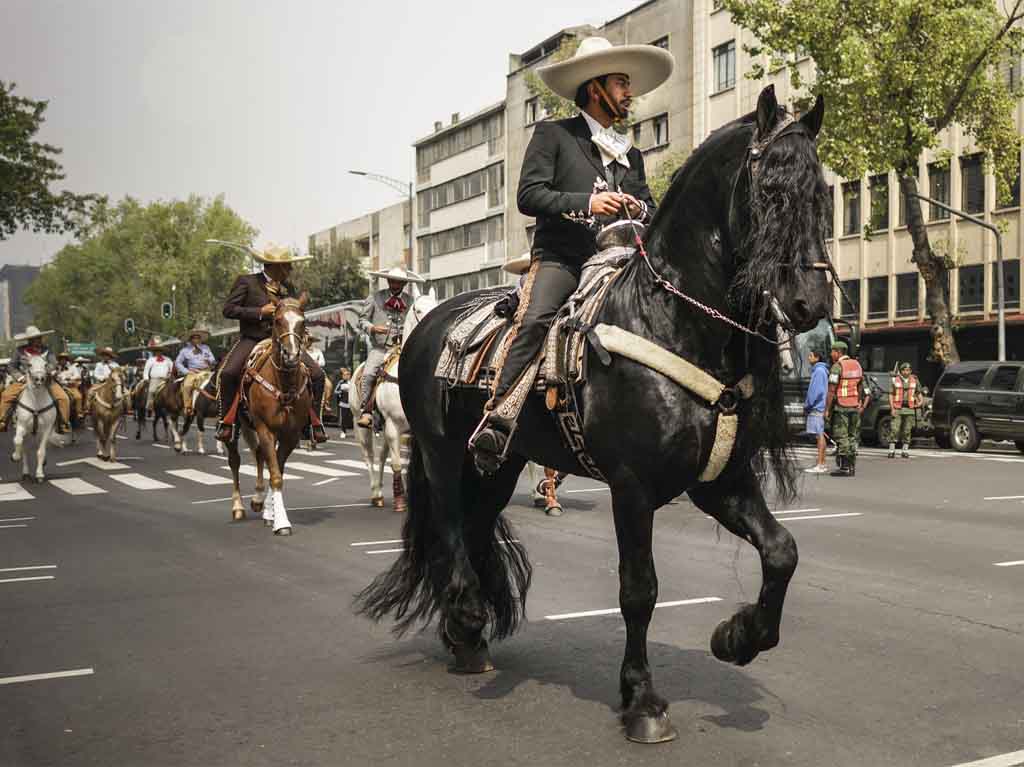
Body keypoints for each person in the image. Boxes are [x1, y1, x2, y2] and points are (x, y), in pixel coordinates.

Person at [468, 36, 671, 473]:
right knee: (538, 316)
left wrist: (639, 208)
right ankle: (499, 417)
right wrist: (588, 203)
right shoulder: (554, 135)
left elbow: (650, 207)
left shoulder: (630, 154)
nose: (628, 92)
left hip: (619, 264)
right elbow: (529, 195)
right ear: (595, 88)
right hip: (563, 259)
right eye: (621, 83)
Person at [216, 243, 328, 443]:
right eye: (288, 266)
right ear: (276, 266)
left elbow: (294, 314)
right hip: (253, 339)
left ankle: (313, 423)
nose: (290, 270)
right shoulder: (247, 282)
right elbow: (229, 309)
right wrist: (259, 312)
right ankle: (227, 423)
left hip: (284, 341)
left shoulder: (289, 288)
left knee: (318, 375)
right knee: (228, 373)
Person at [355, 265, 423, 429]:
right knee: (369, 373)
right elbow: (361, 320)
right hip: (381, 348)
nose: (395, 284)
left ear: (404, 284)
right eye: (392, 281)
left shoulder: (411, 301)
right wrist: (372, 328)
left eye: (399, 282)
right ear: (387, 281)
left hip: (404, 348)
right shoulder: (375, 298)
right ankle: (367, 411)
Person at [0, 325, 71, 434]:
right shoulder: (20, 351)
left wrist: (48, 371)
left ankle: (63, 424)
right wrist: (20, 377)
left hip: (46, 380)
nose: (39, 340)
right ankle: (2, 420)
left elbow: (53, 363)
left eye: (40, 338)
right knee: (6, 395)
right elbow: (11, 366)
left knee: (64, 398)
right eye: (36, 338)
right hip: (25, 380)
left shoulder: (47, 350)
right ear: (30, 340)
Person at [825, 340, 870, 477]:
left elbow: (831, 390)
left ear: (838, 352)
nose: (831, 354)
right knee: (852, 436)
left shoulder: (837, 367)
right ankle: (851, 466)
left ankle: (844, 467)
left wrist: (827, 409)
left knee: (842, 435)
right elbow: (860, 386)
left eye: (832, 351)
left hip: (842, 406)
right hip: (855, 405)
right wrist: (860, 402)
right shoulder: (857, 365)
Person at [175, 326, 217, 417]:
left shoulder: (206, 348)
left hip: (207, 371)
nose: (197, 340)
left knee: (217, 382)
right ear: (190, 340)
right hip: (193, 372)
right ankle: (188, 407)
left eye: (198, 338)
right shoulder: (185, 350)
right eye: (194, 338)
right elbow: (178, 362)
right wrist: (186, 371)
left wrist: (210, 361)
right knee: (187, 385)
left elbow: (213, 360)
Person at [803, 348, 830, 473]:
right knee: (820, 435)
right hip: (819, 407)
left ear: (817, 358)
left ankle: (820, 464)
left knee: (819, 436)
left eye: (811, 356)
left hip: (816, 407)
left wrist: (808, 404)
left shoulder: (818, 371)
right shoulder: (821, 370)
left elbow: (815, 391)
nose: (809, 358)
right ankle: (822, 463)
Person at [888, 361, 922, 459]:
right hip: (898, 407)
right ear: (901, 371)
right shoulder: (895, 380)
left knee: (907, 430)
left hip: (910, 408)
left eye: (909, 370)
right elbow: (891, 394)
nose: (907, 372)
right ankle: (891, 450)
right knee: (894, 429)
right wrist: (892, 408)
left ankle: (905, 450)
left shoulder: (914, 380)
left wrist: (920, 401)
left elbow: (918, 392)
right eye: (905, 370)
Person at [143, 338, 175, 415]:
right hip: (155, 379)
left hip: (166, 380)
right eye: (157, 351)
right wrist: (146, 378)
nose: (158, 352)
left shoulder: (168, 359)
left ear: (162, 351)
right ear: (154, 351)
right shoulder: (151, 360)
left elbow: (172, 369)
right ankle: (149, 406)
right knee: (151, 391)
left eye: (160, 350)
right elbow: (146, 370)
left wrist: (170, 376)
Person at [55, 352, 85, 423]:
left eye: (64, 359)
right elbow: (54, 376)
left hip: (70, 386)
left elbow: (77, 376)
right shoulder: (56, 368)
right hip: (58, 386)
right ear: (59, 360)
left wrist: (70, 378)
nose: (63, 361)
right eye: (61, 359)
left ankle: (79, 413)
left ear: (67, 360)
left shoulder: (72, 367)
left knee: (78, 397)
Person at [336, 367, 353, 437]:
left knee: (352, 418)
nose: (346, 376)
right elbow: (335, 391)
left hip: (351, 403)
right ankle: (343, 431)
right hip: (343, 403)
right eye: (344, 375)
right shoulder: (341, 382)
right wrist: (341, 391)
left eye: (347, 375)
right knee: (344, 418)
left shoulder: (352, 382)